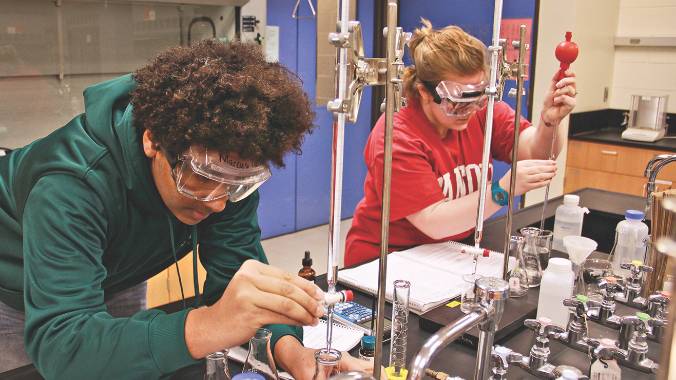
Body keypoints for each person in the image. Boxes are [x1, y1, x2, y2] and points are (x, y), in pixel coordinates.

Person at [0, 40, 369, 379]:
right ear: (153, 141)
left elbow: (236, 278)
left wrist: (291, 351)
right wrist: (211, 324)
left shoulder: (227, 168)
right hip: (16, 287)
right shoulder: (71, 184)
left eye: (236, 184)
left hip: (117, 271)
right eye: (203, 179)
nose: (219, 201)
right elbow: (63, 346)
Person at [345, 20, 577, 266]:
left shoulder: (483, 113)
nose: (471, 110)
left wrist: (550, 121)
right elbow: (433, 222)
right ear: (425, 92)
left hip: (449, 252)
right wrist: (501, 191)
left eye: (477, 97)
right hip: (386, 259)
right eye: (458, 101)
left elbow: (535, 152)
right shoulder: (396, 135)